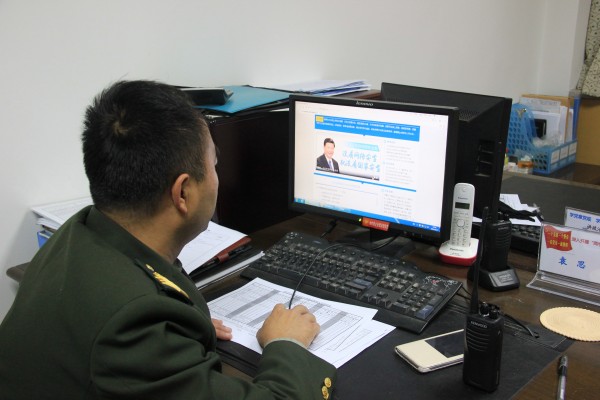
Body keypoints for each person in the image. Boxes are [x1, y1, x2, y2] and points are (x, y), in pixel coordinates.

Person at [0, 80, 336, 399]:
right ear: (183, 192)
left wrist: (183, 330)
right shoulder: (135, 326)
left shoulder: (80, 231)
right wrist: (286, 344)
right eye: (215, 164)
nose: (217, 178)